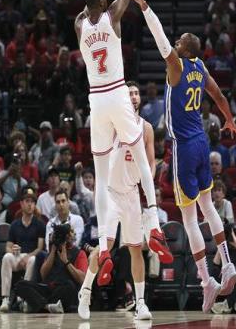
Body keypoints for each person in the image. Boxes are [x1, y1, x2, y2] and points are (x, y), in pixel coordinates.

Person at [132, 0, 236, 312]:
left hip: (182, 146)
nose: (175, 43)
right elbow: (219, 95)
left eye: (179, 41)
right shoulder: (200, 67)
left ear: (184, 49)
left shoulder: (177, 66)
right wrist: (229, 119)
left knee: (190, 218)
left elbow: (160, 38)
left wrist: (144, 6)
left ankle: (207, 280)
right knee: (209, 207)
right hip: (202, 142)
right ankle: (228, 264)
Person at [74, 0, 170, 285]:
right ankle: (154, 223)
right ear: (104, 1)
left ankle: (102, 247)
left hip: (95, 100)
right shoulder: (112, 16)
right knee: (140, 154)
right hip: (116, 91)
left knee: (100, 178)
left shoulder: (79, 25)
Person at [78, 81, 155, 321]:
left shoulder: (146, 128)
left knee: (136, 249)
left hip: (131, 193)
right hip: (110, 192)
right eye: (129, 93)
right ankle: (86, 291)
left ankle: (140, 303)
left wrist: (147, 183)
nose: (133, 96)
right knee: (106, 246)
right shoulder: (113, 123)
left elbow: (151, 163)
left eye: (136, 93)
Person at [0, 187, 45, 313]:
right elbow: (7, 247)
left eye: (32, 202)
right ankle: (5, 298)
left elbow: (40, 248)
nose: (30, 204)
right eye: (27, 201)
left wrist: (27, 256)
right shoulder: (15, 224)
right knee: (6, 257)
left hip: (31, 256)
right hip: (17, 256)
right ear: (21, 203)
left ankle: (24, 298)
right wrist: (12, 250)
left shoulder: (39, 224)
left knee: (32, 260)